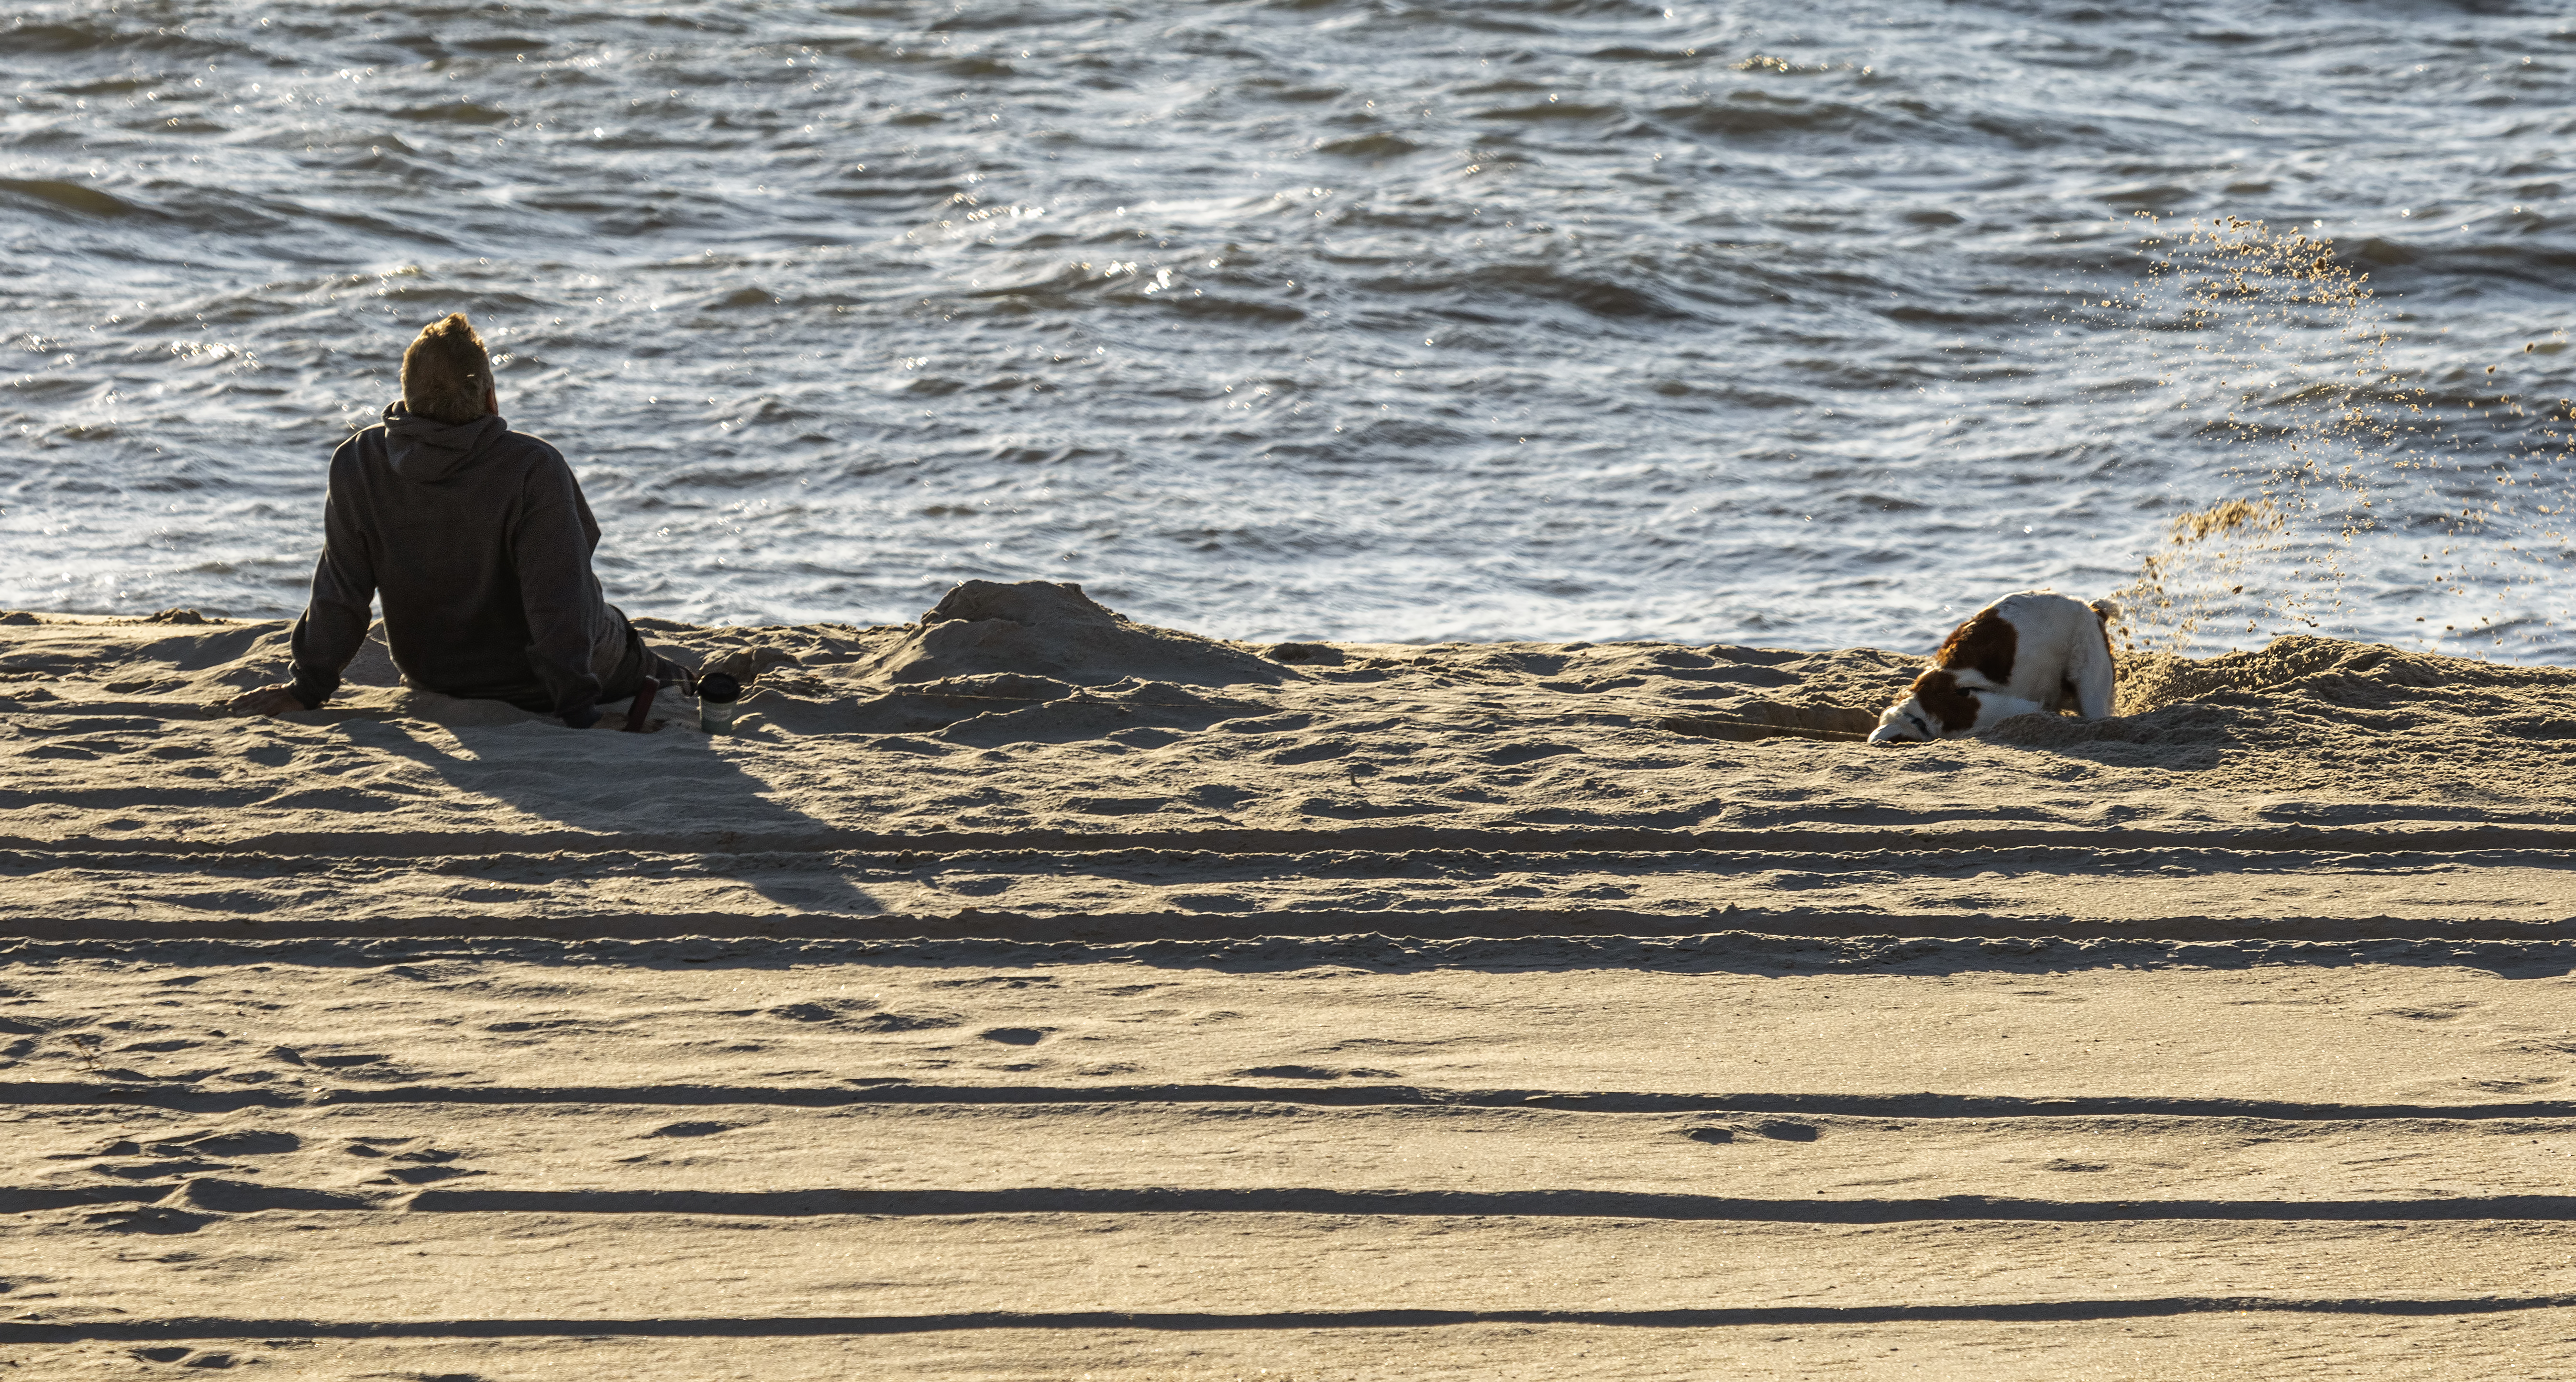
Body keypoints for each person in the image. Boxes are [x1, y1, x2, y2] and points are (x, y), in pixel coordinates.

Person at [224, 312, 689, 728]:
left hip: (434, 674)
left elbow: (339, 593)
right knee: (638, 654)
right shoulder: (532, 467)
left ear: (406, 396)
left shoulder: (359, 461)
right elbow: (559, 600)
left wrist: (307, 689)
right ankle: (679, 679)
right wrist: (579, 711)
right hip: (538, 683)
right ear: (490, 398)